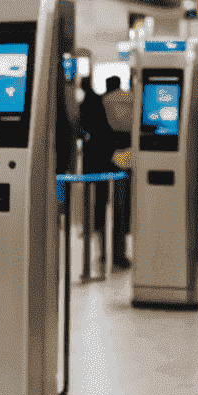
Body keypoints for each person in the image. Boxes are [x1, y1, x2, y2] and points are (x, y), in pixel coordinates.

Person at [102, 75, 134, 268]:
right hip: (128, 151)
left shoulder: (105, 100)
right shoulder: (130, 98)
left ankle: (112, 252)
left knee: (114, 205)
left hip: (111, 154)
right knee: (123, 205)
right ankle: (119, 253)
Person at [78, 77, 113, 247]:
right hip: (102, 151)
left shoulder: (85, 104)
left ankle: (89, 224)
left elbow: (82, 126)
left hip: (91, 152)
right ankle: (99, 223)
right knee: (101, 190)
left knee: (88, 188)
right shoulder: (99, 100)